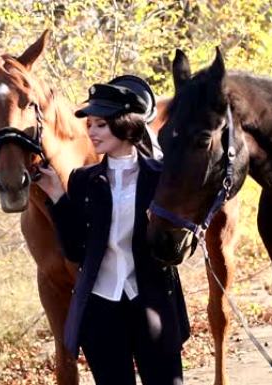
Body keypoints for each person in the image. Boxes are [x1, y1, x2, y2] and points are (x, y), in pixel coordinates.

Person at [35, 75, 190, 385]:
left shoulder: (161, 178)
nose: (91, 131)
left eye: (100, 124)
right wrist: (57, 198)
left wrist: (169, 223)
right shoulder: (82, 180)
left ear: (126, 125)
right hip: (100, 309)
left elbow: (179, 252)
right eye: (89, 124)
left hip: (153, 304)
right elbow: (75, 249)